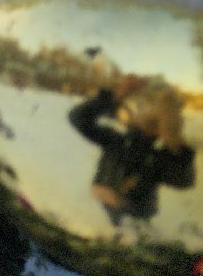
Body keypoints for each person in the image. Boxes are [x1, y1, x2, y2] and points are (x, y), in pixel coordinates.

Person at [69, 75, 195, 224]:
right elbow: (78, 118)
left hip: (131, 229)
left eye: (156, 112)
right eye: (143, 105)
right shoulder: (115, 140)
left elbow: (184, 181)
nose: (143, 110)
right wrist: (116, 96)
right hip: (92, 220)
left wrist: (176, 145)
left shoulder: (159, 157)